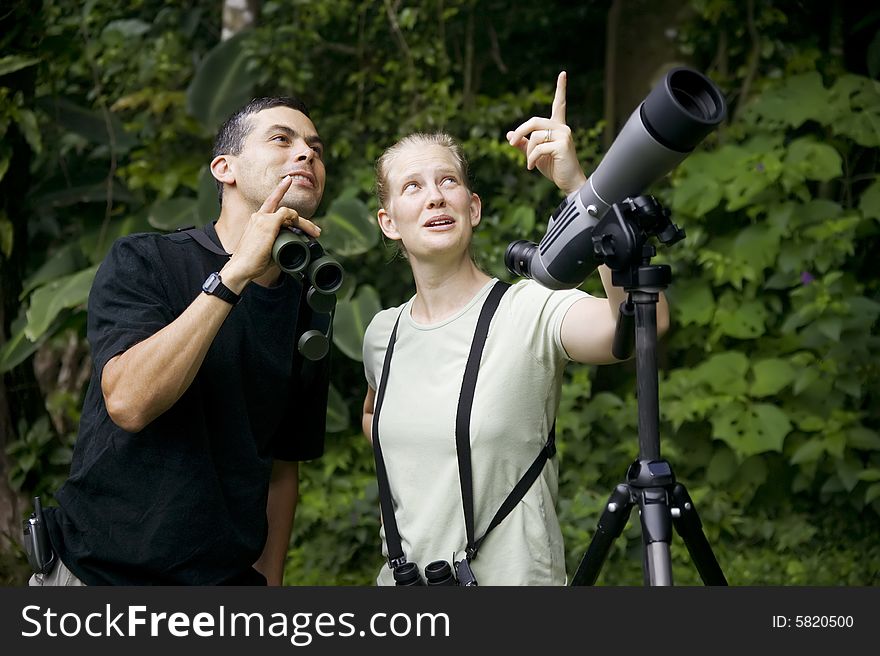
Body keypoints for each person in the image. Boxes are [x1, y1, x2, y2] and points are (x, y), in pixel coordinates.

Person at [360, 72, 670, 586]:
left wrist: (582, 191)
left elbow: (644, 324)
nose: (435, 197)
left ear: (473, 208)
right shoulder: (381, 335)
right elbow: (376, 415)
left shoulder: (530, 309)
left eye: (449, 181)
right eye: (412, 187)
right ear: (389, 221)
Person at [32, 96, 330, 586]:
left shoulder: (308, 305)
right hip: (97, 579)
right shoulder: (145, 260)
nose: (306, 154)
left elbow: (281, 466)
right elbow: (129, 402)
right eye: (282, 139)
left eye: (315, 148)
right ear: (224, 168)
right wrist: (234, 276)